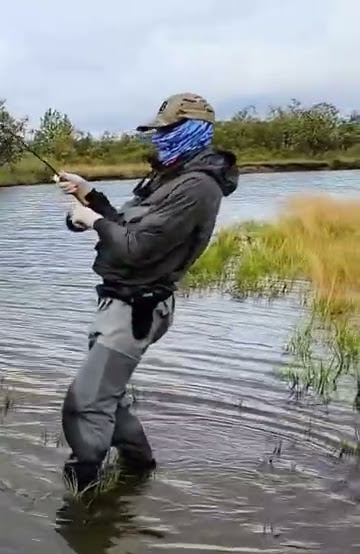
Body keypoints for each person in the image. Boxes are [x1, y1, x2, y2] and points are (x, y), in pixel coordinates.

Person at [55, 92, 239, 491]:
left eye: (167, 130)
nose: (159, 138)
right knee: (109, 399)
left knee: (84, 405)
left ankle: (81, 504)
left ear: (192, 130)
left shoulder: (197, 187)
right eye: (159, 131)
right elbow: (128, 225)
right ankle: (140, 471)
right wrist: (90, 195)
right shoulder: (171, 177)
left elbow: (136, 248)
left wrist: (91, 221)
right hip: (118, 304)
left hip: (135, 311)